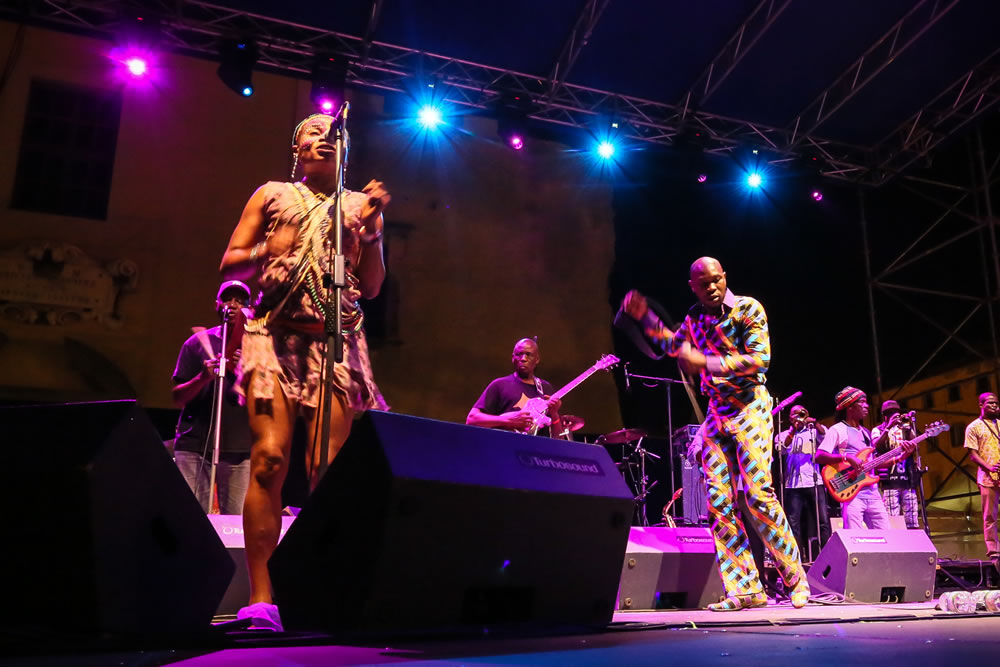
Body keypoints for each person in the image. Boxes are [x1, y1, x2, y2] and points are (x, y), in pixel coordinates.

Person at [219, 112, 391, 631]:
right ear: (296, 149)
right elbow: (230, 263)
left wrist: (372, 235)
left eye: (332, 133)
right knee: (269, 459)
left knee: (327, 470)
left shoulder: (359, 206)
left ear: (345, 151)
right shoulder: (271, 194)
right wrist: (265, 250)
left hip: (335, 345)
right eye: (311, 132)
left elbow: (372, 287)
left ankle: (319, 591)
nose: (323, 137)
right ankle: (261, 597)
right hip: (272, 338)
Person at [617, 256, 809, 611]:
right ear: (692, 287)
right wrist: (645, 317)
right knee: (719, 504)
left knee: (757, 494)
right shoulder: (695, 318)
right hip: (717, 413)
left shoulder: (748, 309)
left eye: (716, 279)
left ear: (724, 277)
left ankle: (796, 578)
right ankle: (746, 589)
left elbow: (759, 360)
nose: (711, 287)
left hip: (749, 406)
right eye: (703, 283)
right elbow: (674, 346)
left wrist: (706, 362)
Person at [171, 280, 253, 514]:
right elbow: (178, 397)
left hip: (239, 449)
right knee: (191, 518)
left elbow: (267, 398)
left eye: (240, 301)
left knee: (234, 522)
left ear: (249, 309)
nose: (233, 305)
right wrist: (203, 377)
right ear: (217, 304)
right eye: (227, 299)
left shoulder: (258, 345)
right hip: (194, 446)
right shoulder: (196, 344)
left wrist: (244, 372)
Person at [815, 388, 915, 530]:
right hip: (851, 494)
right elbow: (819, 456)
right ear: (849, 407)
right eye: (862, 402)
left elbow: (874, 464)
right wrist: (847, 457)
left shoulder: (866, 433)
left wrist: (900, 457)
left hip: (873, 493)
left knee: (886, 535)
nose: (866, 406)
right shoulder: (837, 429)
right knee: (856, 538)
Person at [466, 338, 564, 437]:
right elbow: (472, 419)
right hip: (503, 444)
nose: (523, 358)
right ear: (513, 358)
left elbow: (559, 438)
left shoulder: (545, 388)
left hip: (535, 446)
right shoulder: (500, 384)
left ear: (537, 359)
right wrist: (509, 420)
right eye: (519, 354)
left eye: (529, 354)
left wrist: (554, 414)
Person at [775, 405, 830, 559]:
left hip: (814, 482)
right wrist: (793, 430)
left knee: (823, 521)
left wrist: (815, 422)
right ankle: (797, 559)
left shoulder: (813, 431)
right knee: (793, 524)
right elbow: (781, 449)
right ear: (790, 418)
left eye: (801, 413)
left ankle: (826, 557)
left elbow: (825, 435)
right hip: (793, 485)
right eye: (795, 413)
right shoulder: (783, 434)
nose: (798, 416)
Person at [871, 400, 922, 529]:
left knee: (912, 519)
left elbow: (915, 446)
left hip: (908, 479)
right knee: (892, 518)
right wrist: (888, 427)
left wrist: (909, 428)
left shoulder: (905, 429)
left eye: (897, 413)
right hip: (889, 481)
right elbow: (876, 446)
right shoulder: (878, 430)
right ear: (885, 416)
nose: (895, 416)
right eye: (891, 414)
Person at [963, 392, 1000, 570]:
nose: (995, 406)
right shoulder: (973, 427)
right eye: (990, 403)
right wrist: (989, 467)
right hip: (987, 478)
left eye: (997, 403)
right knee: (990, 516)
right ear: (981, 405)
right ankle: (994, 552)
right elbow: (973, 454)